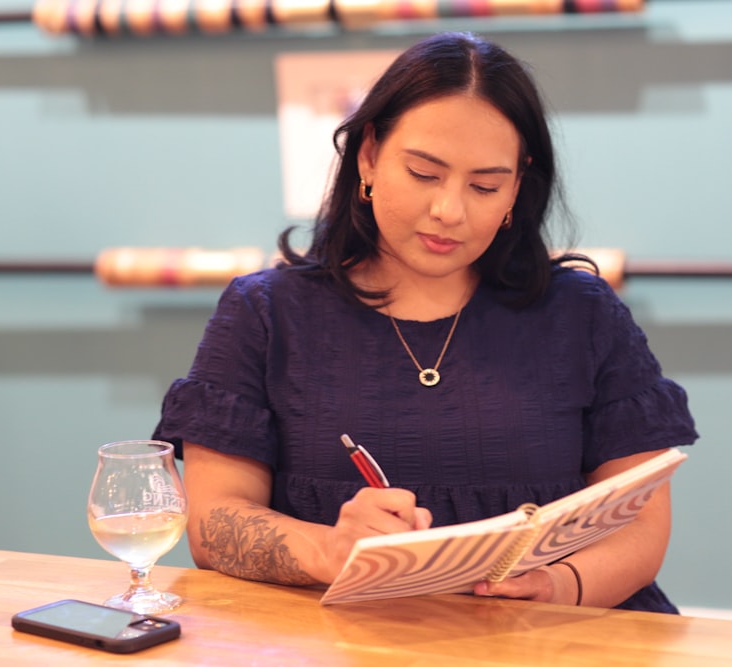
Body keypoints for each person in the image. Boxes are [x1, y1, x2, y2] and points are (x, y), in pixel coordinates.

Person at [153, 31, 697, 613]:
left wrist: (561, 586)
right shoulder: (267, 312)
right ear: (368, 156)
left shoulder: (583, 313)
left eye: (485, 185)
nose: (449, 211)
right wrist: (328, 549)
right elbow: (214, 523)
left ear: (517, 187)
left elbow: (639, 527)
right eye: (424, 174)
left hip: (557, 636)